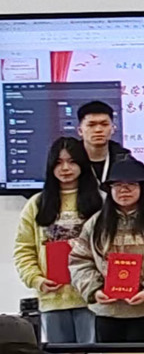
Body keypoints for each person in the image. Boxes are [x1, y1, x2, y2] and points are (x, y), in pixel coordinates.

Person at [69, 159, 144, 343]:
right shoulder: (95, 223)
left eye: (131, 185)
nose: (124, 190)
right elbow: (80, 261)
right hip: (108, 312)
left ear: (143, 188)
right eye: (117, 185)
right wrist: (95, 289)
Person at [13, 138, 103, 344]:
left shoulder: (102, 201)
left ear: (82, 164)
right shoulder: (36, 204)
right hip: (53, 298)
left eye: (72, 162)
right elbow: (23, 249)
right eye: (59, 163)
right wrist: (36, 279)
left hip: (92, 298)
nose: (65, 168)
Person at [76, 101, 132, 185]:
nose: (98, 130)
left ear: (113, 129)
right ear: (80, 131)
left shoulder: (126, 161)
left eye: (104, 124)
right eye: (91, 125)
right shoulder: (69, 161)